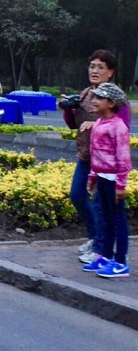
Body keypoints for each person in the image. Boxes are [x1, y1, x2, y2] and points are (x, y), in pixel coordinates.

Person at [62, 49, 131, 264]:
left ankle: (106, 249)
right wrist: (67, 108)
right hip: (86, 157)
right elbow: (73, 124)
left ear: (110, 72)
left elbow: (123, 127)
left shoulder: (116, 97)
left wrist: (96, 123)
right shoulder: (85, 94)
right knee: (77, 195)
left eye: (101, 67)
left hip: (107, 163)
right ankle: (95, 239)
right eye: (92, 66)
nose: (95, 70)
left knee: (106, 208)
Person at [80, 82, 132, 278]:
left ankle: (120, 262)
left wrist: (121, 184)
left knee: (117, 220)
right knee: (104, 219)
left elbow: (123, 157)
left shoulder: (118, 127)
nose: (94, 101)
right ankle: (106, 256)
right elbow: (96, 154)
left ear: (111, 103)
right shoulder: (100, 123)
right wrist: (93, 176)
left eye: (99, 98)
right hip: (101, 178)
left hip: (113, 180)